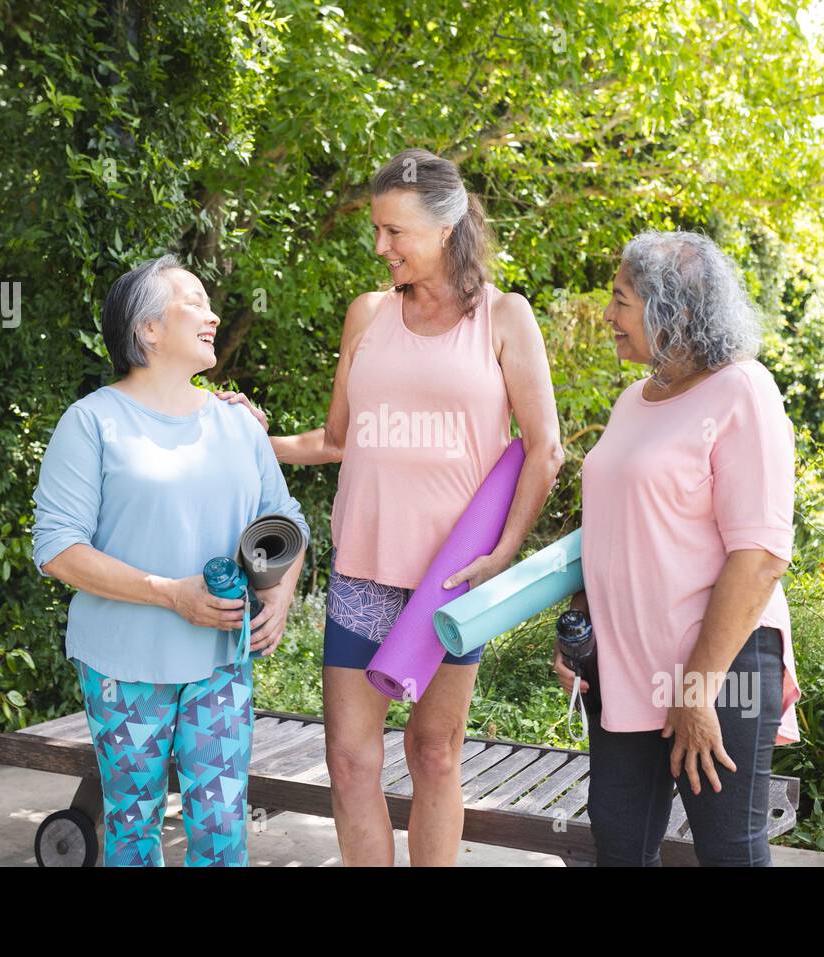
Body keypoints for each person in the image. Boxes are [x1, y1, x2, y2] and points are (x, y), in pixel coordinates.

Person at [221, 148, 563, 865]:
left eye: (394, 231)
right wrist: (257, 436)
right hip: (364, 572)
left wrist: (503, 552)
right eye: (377, 230)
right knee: (349, 759)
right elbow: (338, 438)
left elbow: (545, 449)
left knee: (434, 751)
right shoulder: (368, 314)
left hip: (451, 582)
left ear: (446, 227)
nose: (380, 246)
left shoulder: (505, 317)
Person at [31, 255, 309, 866]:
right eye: (195, 302)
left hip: (220, 664)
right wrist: (170, 593)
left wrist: (281, 595)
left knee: (222, 832)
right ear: (147, 329)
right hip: (124, 666)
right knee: (133, 831)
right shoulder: (92, 423)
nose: (213, 315)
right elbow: (57, 549)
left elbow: (286, 521)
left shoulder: (237, 425)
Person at [555, 230, 801, 866]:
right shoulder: (634, 400)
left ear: (676, 313)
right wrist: (579, 625)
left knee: (728, 852)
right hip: (626, 663)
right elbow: (613, 527)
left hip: (720, 668)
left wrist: (697, 690)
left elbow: (762, 554)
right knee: (619, 846)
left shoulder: (744, 390)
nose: (607, 315)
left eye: (620, 300)